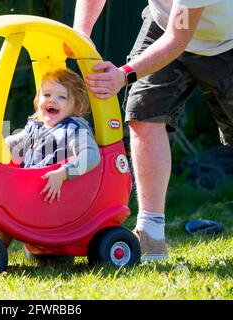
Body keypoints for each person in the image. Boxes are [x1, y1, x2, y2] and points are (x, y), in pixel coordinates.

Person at [73, 0, 233, 262]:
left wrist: (123, 75)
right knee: (143, 113)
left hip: (225, 41)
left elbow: (176, 39)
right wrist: (81, 33)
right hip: (163, 25)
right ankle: (151, 236)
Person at [0, 68, 101, 246]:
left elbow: (91, 156)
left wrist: (63, 173)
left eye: (62, 97)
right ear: (38, 100)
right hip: (32, 189)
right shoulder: (36, 127)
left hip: (52, 197)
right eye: (47, 94)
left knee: (6, 209)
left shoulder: (73, 129)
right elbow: (13, 143)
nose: (52, 100)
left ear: (76, 105)